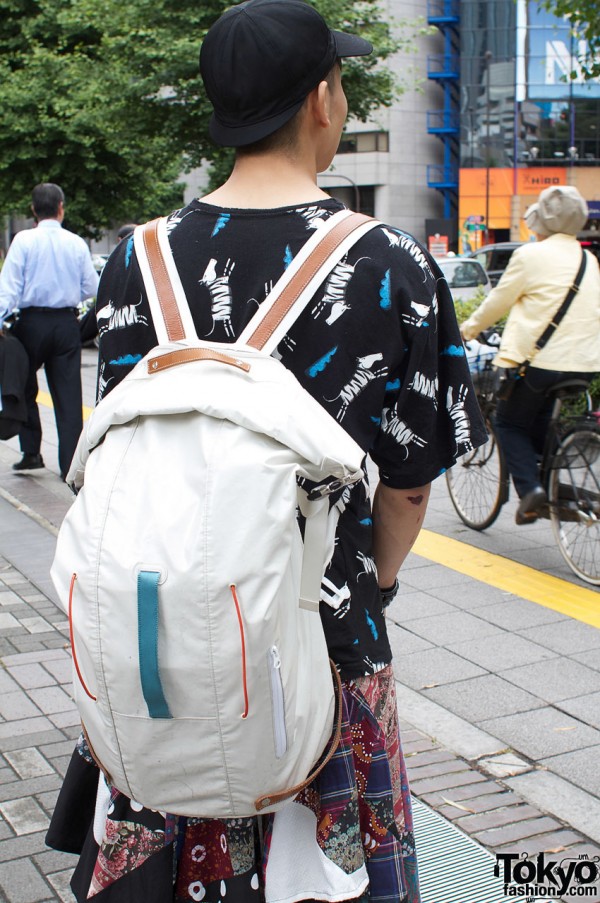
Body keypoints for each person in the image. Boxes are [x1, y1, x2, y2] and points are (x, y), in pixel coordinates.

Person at [46, 2, 486, 900]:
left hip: (156, 626)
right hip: (321, 638)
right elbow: (408, 484)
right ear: (323, 99)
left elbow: (118, 444)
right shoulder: (389, 260)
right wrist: (374, 584)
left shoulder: (139, 258)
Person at [460, 185, 600, 525]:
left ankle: (531, 493)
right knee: (536, 419)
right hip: (586, 364)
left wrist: (466, 330)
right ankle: (547, 478)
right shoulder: (588, 259)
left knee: (507, 423)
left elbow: (497, 303)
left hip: (536, 364)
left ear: (543, 221)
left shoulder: (530, 256)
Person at [0, 183, 99, 479]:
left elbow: (10, 288)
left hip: (30, 323)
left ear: (33, 209)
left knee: (25, 388)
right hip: (65, 324)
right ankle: (70, 464)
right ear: (61, 207)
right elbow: (92, 288)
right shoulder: (76, 242)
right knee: (68, 395)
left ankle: (31, 453)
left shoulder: (23, 240)